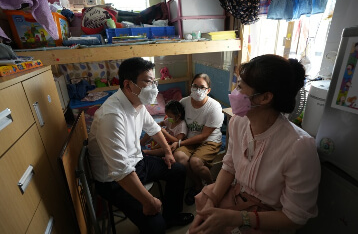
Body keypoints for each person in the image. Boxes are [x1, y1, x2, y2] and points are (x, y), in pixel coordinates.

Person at [189, 54, 321, 234]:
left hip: (268, 219)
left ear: (265, 98)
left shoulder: (299, 147)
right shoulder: (238, 122)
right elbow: (229, 166)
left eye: (240, 86)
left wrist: (235, 218)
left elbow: (294, 218)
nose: (234, 92)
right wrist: (212, 200)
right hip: (235, 198)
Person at [87, 57, 194, 234]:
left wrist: (168, 151)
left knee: (178, 170)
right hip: (114, 180)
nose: (154, 87)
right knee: (156, 226)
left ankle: (171, 216)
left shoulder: (137, 103)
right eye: (147, 82)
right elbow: (120, 171)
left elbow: (153, 128)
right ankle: (161, 221)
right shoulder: (111, 116)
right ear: (128, 85)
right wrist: (149, 201)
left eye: (154, 81)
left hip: (138, 163)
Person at [171, 73, 224, 205]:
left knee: (195, 162)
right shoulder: (184, 103)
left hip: (209, 141)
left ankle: (212, 187)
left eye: (202, 87)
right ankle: (198, 186)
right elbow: (174, 119)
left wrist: (179, 143)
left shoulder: (214, 107)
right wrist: (165, 123)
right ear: (191, 87)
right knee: (179, 157)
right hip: (190, 139)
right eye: (195, 86)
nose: (198, 90)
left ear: (208, 90)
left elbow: (204, 135)